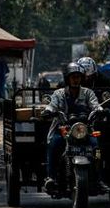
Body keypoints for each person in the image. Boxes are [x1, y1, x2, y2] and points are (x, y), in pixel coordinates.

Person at [42, 62, 100, 191]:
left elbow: (95, 104)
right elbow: (52, 105)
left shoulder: (88, 93)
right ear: (67, 79)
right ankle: (51, 176)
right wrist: (48, 111)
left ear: (82, 78)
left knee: (96, 145)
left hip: (84, 130)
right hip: (62, 129)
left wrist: (99, 109)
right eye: (73, 77)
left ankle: (98, 176)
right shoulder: (59, 94)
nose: (75, 80)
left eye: (78, 77)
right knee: (54, 143)